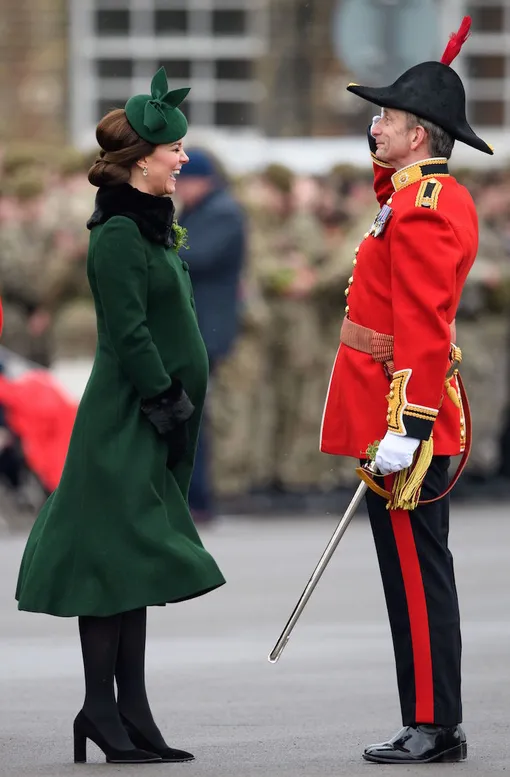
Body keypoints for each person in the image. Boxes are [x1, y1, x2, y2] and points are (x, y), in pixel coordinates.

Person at [15, 67, 226, 765]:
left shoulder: (151, 224)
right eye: (174, 151)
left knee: (130, 559)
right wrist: (164, 397)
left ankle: (128, 712)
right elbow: (128, 331)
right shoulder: (116, 235)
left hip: (150, 410)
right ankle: (103, 711)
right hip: (127, 413)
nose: (184, 158)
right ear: (141, 163)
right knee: (110, 555)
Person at [320, 17, 492, 764]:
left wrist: (412, 425)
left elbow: (423, 325)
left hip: (406, 414)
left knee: (419, 580)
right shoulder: (410, 193)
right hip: (390, 406)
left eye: (386, 118)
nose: (374, 126)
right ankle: (423, 713)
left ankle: (435, 722)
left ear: (419, 135)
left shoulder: (426, 206)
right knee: (407, 576)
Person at [175, 148, 246, 522]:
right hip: (199, 324)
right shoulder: (202, 210)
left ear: (202, 180)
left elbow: (195, 255)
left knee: (193, 414)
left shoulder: (222, 212)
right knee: (188, 414)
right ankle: (192, 494)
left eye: (184, 182)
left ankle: (198, 497)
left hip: (208, 328)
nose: (180, 190)